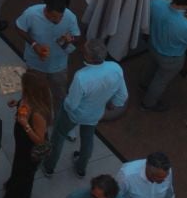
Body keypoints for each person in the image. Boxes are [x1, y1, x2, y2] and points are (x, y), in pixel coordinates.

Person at [44, 41, 128, 178]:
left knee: (58, 136)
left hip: (73, 114)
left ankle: (49, 166)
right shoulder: (115, 68)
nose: (82, 52)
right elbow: (122, 95)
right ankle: (81, 168)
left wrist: (64, 101)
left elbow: (72, 104)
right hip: (95, 114)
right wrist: (114, 103)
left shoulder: (81, 76)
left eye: (85, 51)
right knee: (88, 138)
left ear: (90, 58)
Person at [1, 69, 56, 198]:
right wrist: (18, 104)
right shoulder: (29, 99)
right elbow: (25, 104)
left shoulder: (38, 114)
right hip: (22, 145)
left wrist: (25, 125)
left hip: (29, 148)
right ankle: (12, 184)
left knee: (24, 175)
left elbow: (40, 141)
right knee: (18, 167)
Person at [16, 0, 80, 99]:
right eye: (55, 17)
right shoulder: (31, 14)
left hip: (59, 65)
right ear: (46, 10)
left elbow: (77, 37)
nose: (58, 21)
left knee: (60, 90)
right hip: (35, 63)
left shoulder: (70, 17)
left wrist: (71, 39)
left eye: (61, 16)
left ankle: (61, 106)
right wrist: (34, 45)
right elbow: (19, 27)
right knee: (33, 88)